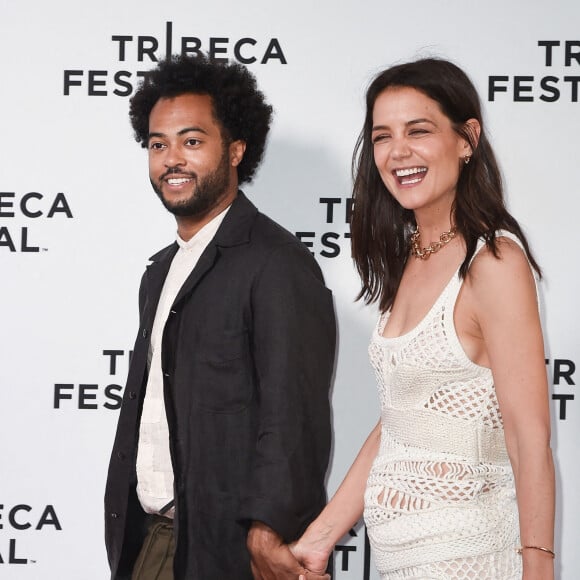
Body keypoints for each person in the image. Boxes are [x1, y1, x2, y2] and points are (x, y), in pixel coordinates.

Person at [291, 57, 555, 580]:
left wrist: (539, 569)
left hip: (470, 560)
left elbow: (529, 439)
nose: (398, 152)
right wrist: (320, 538)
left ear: (467, 138)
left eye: (419, 130)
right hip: (399, 563)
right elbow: (402, 422)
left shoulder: (495, 262)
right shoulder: (410, 257)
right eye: (382, 136)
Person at [104, 54, 336, 580]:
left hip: (230, 553)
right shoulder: (161, 271)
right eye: (158, 145)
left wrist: (268, 528)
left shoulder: (276, 263)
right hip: (152, 541)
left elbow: (294, 418)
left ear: (236, 150)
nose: (171, 160)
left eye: (192, 141)